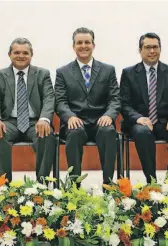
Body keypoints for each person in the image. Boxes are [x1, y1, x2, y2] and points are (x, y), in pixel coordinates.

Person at [120, 32, 168, 183]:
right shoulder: (129, 73)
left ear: (160, 49)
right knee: (142, 133)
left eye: (155, 47)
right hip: (140, 124)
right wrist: (138, 118)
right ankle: (151, 180)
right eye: (147, 47)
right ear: (140, 50)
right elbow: (124, 104)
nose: (152, 51)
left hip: (165, 122)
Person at [55, 27, 120, 185]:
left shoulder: (108, 70)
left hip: (100, 121)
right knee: (74, 133)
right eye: (79, 43)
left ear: (93, 45)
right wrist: (69, 116)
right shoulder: (63, 72)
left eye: (87, 42)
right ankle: (74, 187)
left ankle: (109, 184)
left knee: (109, 132)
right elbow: (60, 101)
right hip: (76, 121)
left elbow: (115, 99)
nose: (83, 46)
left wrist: (109, 115)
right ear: (73, 46)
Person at [0, 38, 56, 183]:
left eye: (25, 52)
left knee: (47, 135)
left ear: (31, 55)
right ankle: (2, 187)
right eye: (16, 52)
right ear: (9, 54)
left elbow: (50, 98)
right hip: (9, 122)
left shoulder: (42, 74)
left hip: (35, 122)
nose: (21, 55)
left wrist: (44, 119)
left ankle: (42, 186)